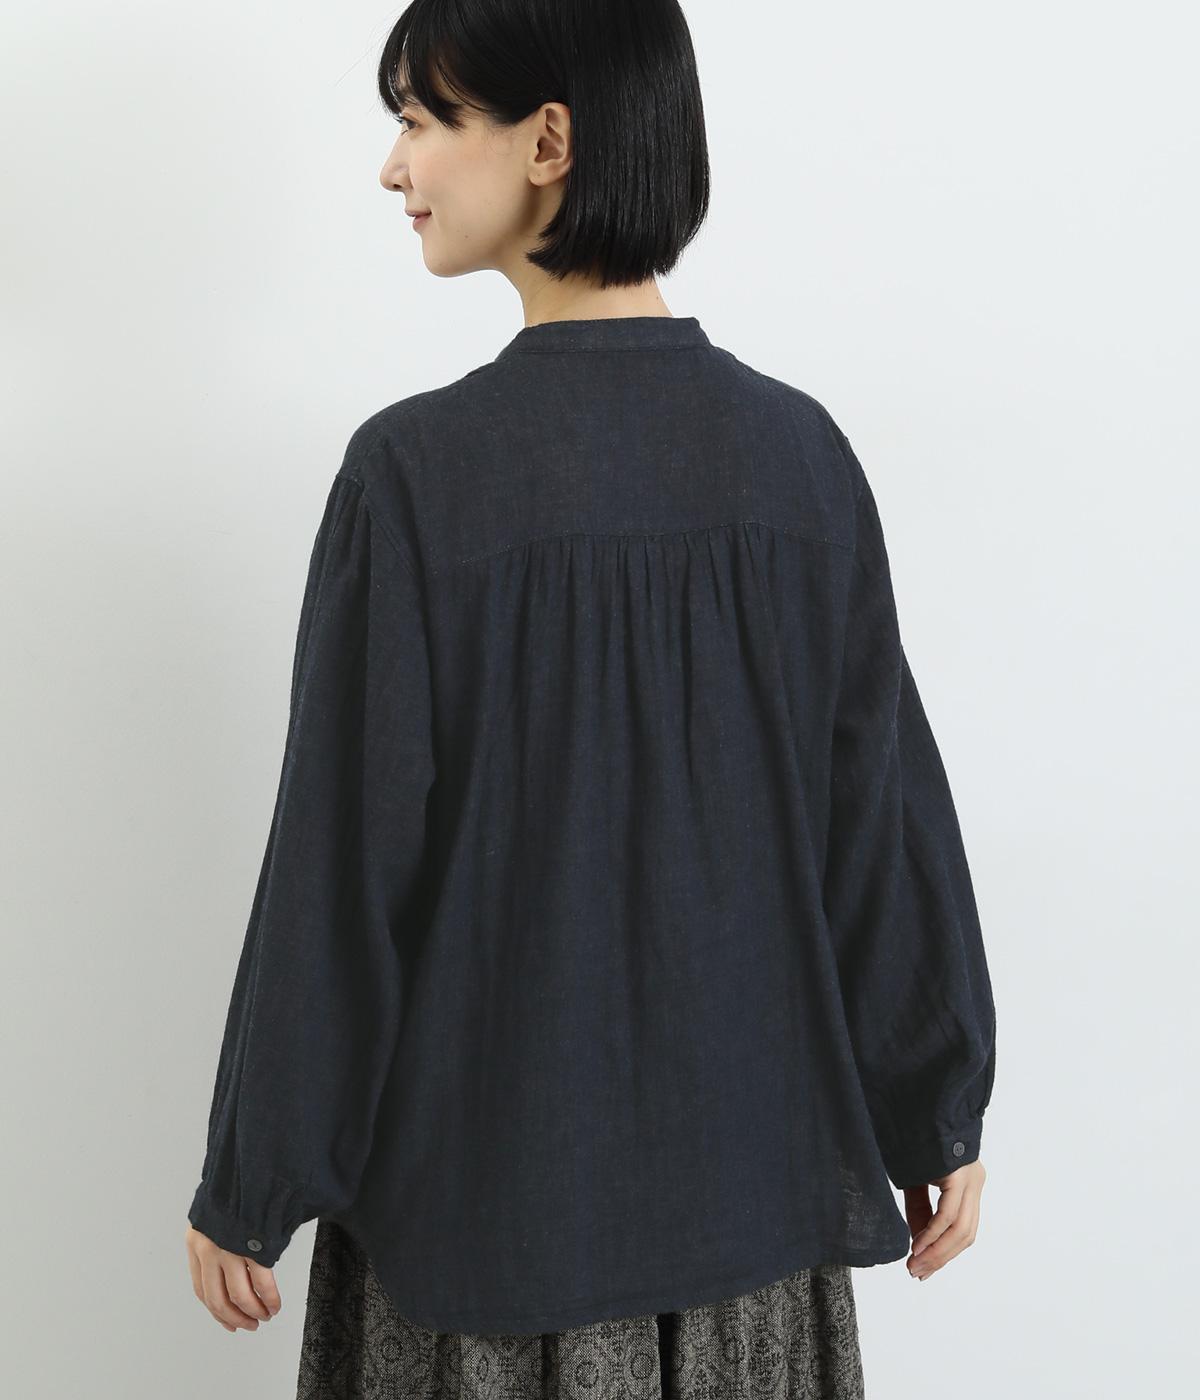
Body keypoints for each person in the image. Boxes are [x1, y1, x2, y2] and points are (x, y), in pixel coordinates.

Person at [184, 1, 996, 1395]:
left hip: (483, 1252)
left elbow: (340, 872)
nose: (395, 166)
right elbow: (879, 830)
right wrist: (936, 1107)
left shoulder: (416, 479)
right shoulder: (801, 464)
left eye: (423, 119)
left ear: (548, 140)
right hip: (756, 1235)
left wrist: (253, 1174)